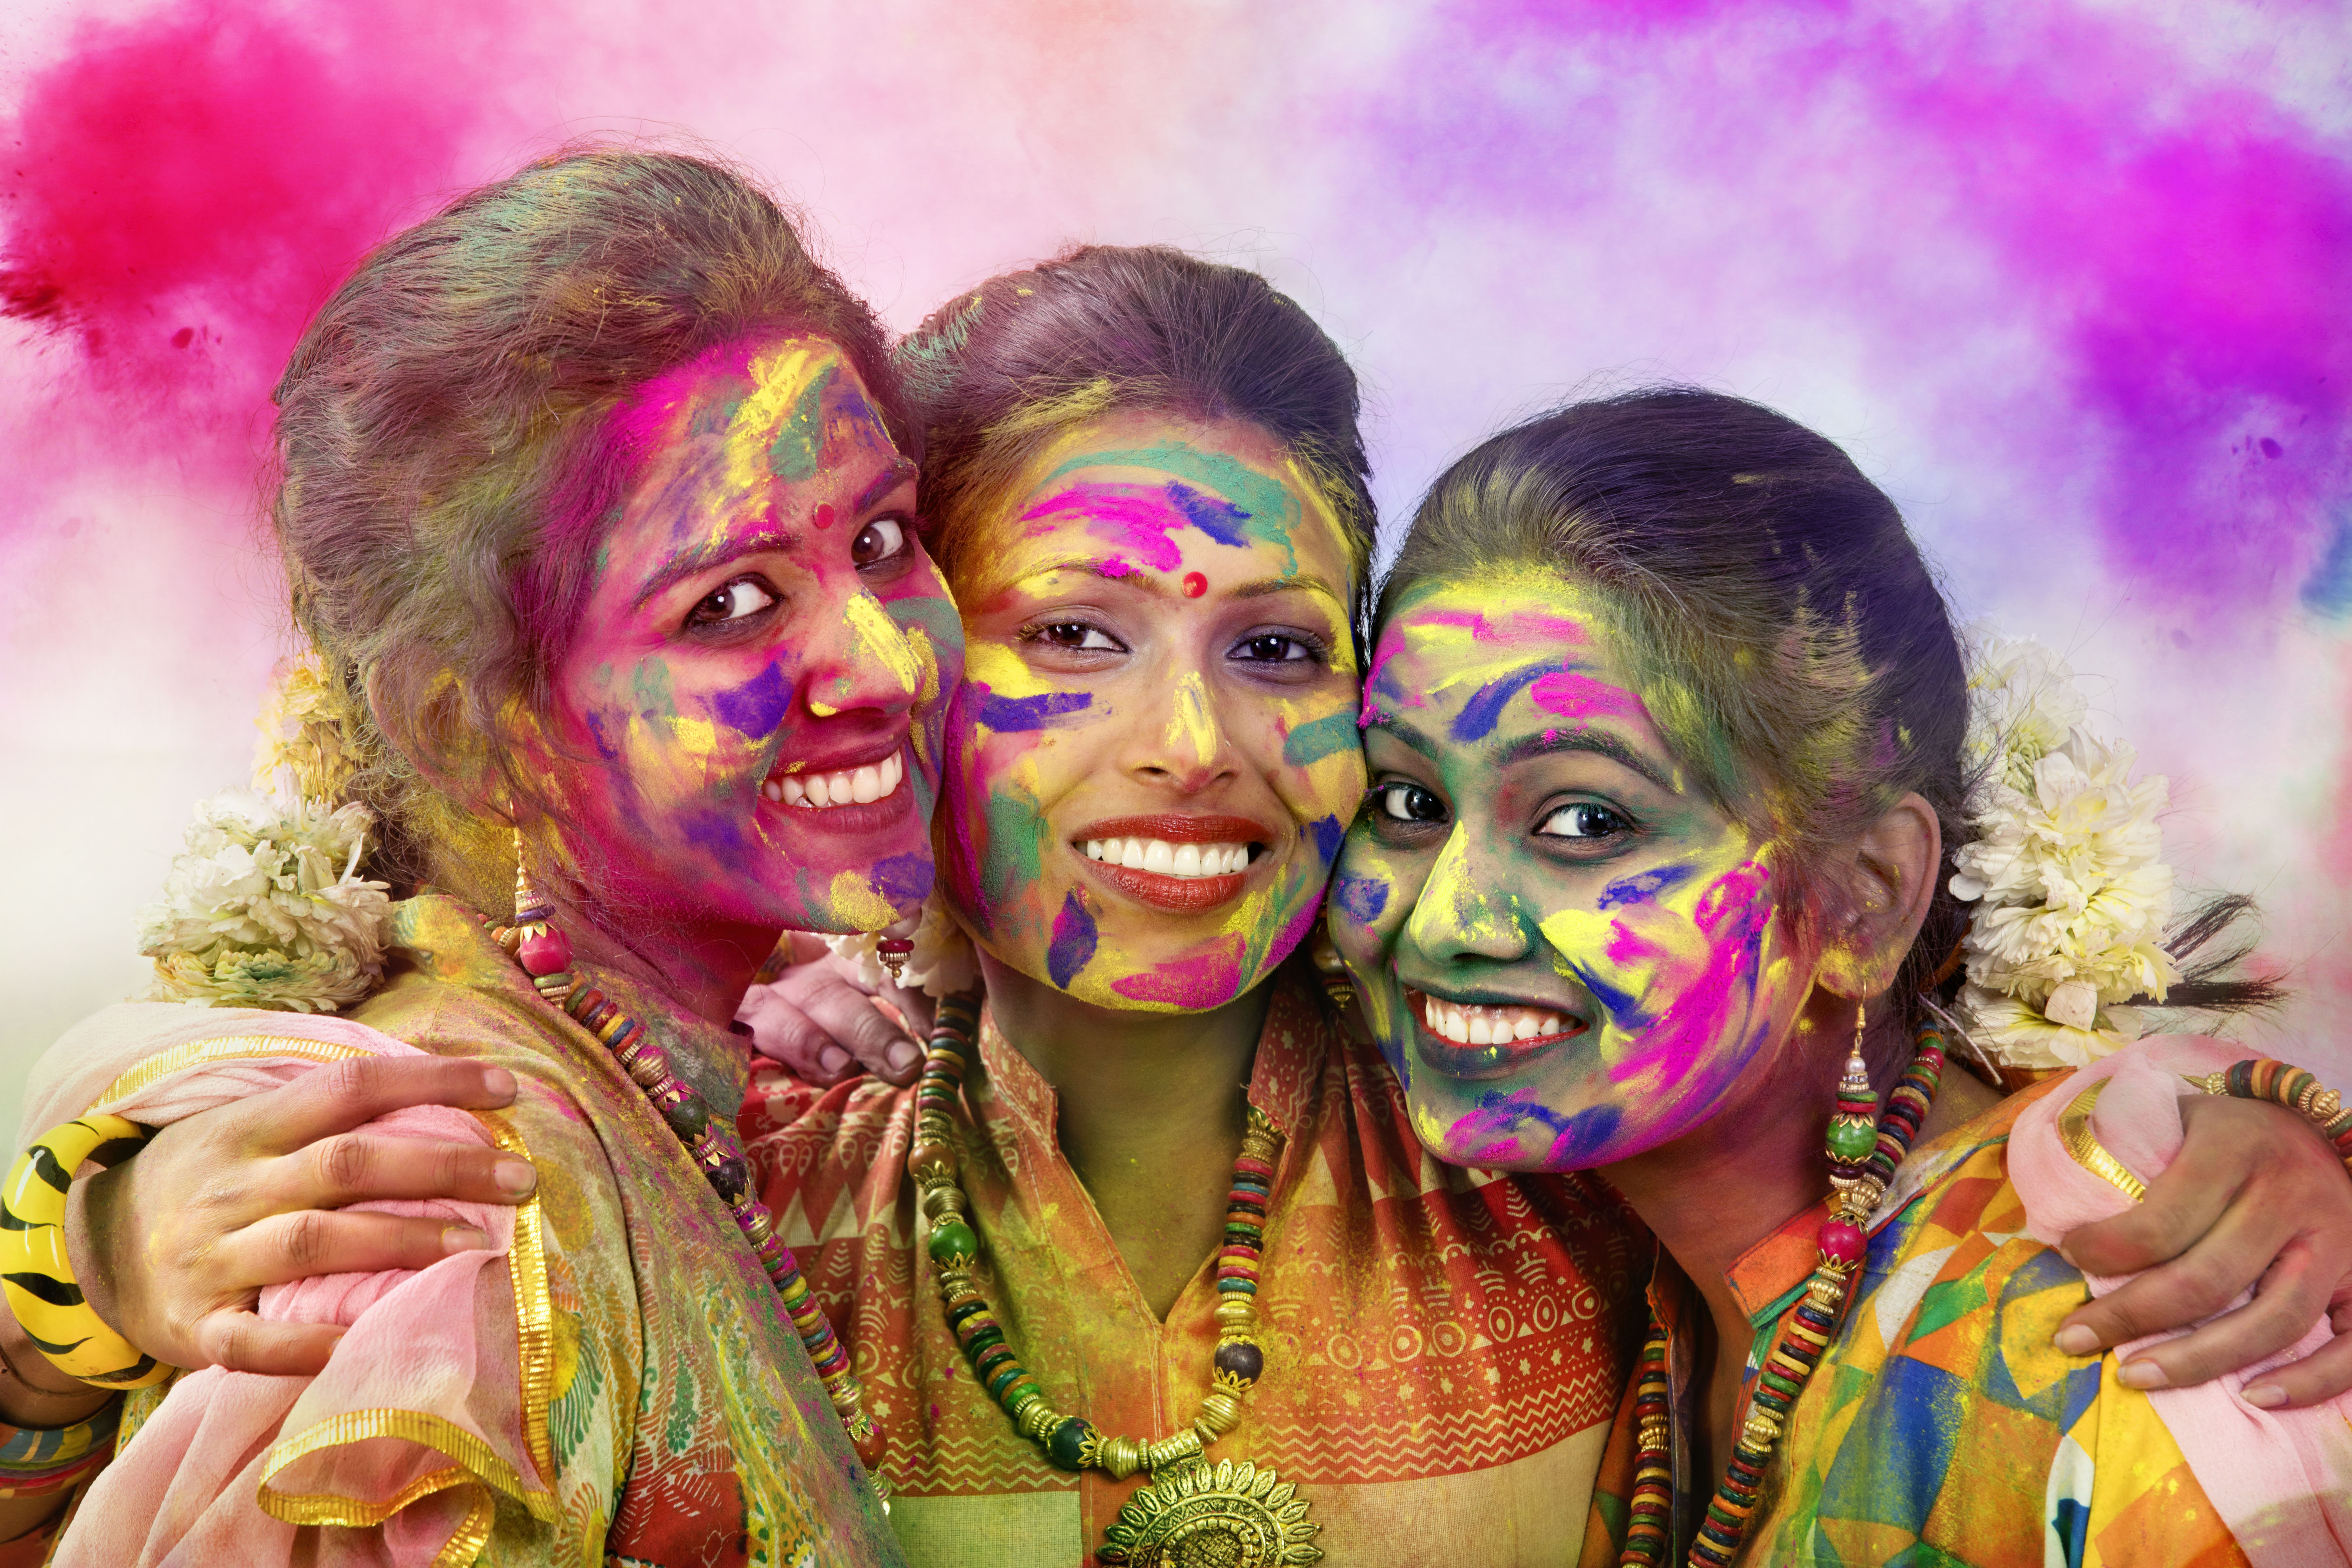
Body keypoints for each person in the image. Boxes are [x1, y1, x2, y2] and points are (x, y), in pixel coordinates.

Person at [35, 259, 2352, 1568]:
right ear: (905, 673)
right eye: (1067, 638)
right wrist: (98, 1240)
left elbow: (1884, 1115)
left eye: (1277, 647)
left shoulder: (1522, 1142)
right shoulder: (737, 1178)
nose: (1193, 746)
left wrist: (2240, 1135)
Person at [0, 148, 958, 1564]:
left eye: (880, 539)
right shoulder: (431, 1221)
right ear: (471, 729)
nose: (886, 661)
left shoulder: (686, 1053)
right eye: (731, 604)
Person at [1325, 387, 2352, 1564]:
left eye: (1588, 821)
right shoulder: (1649, 1279)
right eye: (1405, 800)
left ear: (1867, 896)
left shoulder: (2124, 1339)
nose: (1443, 918)